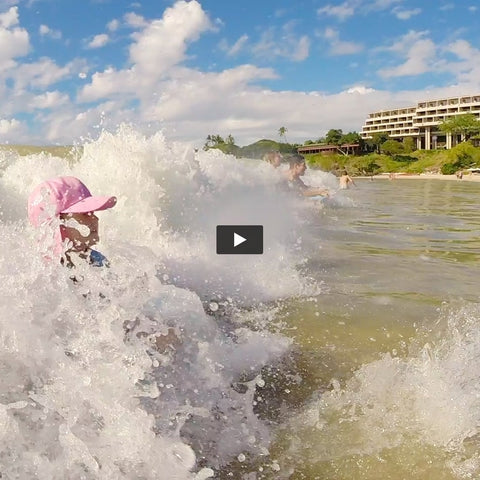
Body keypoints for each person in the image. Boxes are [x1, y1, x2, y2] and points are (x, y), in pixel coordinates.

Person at [28, 176, 116, 268]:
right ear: (58, 223)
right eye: (85, 213)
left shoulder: (97, 259)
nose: (95, 219)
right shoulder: (44, 271)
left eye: (92, 212)